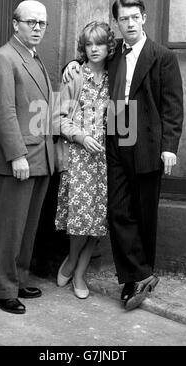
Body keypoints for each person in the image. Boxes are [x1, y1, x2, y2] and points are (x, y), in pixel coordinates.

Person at [63, 0, 183, 310]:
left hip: (147, 143)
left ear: (143, 17)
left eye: (134, 17)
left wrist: (169, 147)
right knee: (117, 211)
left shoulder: (163, 56)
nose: (129, 23)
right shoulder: (115, 53)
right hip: (116, 136)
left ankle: (135, 280)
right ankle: (139, 275)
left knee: (143, 212)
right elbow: (92, 59)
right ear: (117, 22)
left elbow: (173, 106)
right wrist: (72, 64)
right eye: (123, 19)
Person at [0, 0, 54, 314]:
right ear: (16, 24)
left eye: (42, 23)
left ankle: (18, 279)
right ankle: (2, 289)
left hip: (41, 157)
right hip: (20, 159)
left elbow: (38, 110)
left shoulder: (34, 58)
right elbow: (2, 111)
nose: (37, 28)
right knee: (9, 227)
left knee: (27, 227)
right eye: (31, 22)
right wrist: (16, 155)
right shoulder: (3, 58)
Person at [55, 21, 116, 299]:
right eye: (89, 44)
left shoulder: (116, 77)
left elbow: (126, 120)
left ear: (108, 46)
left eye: (99, 44)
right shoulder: (75, 76)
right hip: (79, 159)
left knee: (98, 221)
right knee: (80, 219)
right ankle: (70, 260)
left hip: (107, 161)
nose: (94, 49)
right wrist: (80, 137)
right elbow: (56, 119)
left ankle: (80, 272)